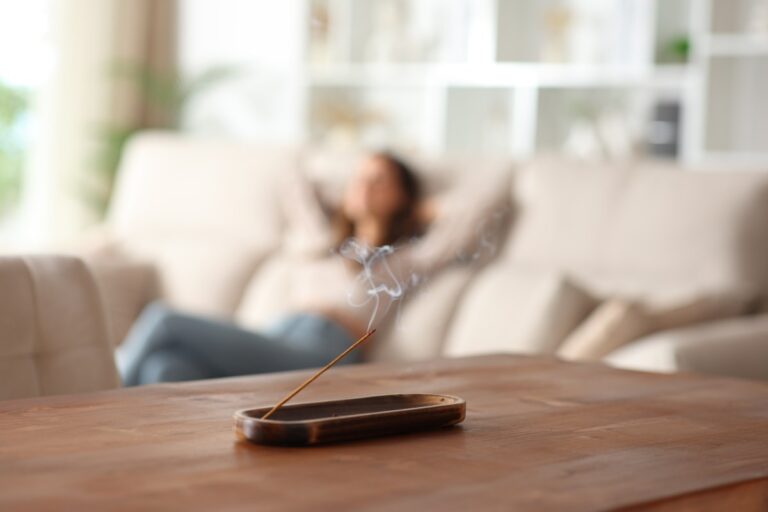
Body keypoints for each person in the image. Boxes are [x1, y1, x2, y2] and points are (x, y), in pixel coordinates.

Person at [117, 152, 429, 386]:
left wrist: (430, 210)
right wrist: (341, 197)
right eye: (358, 178)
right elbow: (294, 180)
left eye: (378, 180)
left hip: (326, 348)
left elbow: (475, 213)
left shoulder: (402, 258)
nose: (363, 186)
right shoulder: (322, 242)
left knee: (163, 320)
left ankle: (98, 406)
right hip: (282, 331)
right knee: (166, 367)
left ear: (402, 197)